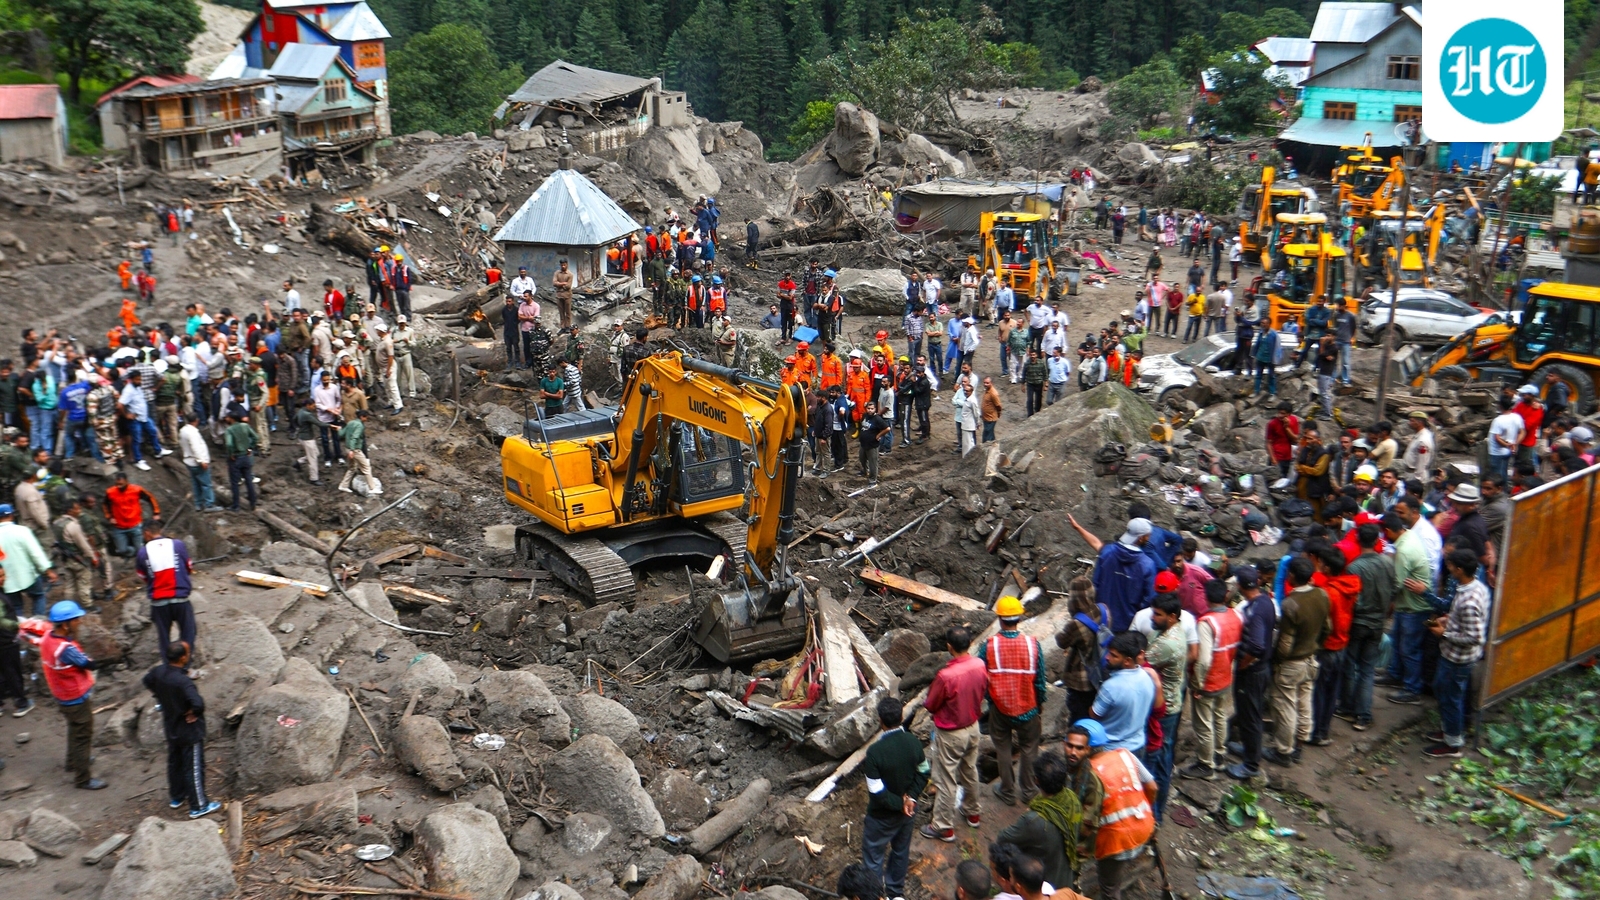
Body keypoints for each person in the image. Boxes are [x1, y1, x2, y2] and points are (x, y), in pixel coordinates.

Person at [1069, 719, 1156, 900]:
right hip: (1144, 825)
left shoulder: (1086, 774)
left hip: (1115, 840)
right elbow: (1153, 787)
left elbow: (1084, 816)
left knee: (1109, 888)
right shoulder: (1125, 754)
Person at [921, 625, 988, 841]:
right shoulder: (979, 664)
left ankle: (943, 826)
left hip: (951, 733)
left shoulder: (945, 675)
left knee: (946, 779)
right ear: (969, 643)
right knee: (970, 770)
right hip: (973, 727)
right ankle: (973, 812)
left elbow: (931, 704)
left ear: (949, 647)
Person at [979, 595, 1046, 806]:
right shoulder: (1032, 645)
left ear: (1000, 619)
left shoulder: (989, 646)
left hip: (1000, 709)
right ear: (1019, 618)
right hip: (1028, 708)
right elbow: (1040, 680)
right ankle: (1028, 790)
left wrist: (990, 698)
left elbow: (982, 677)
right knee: (1029, 748)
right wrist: (1040, 703)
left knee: (1003, 748)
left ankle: (1007, 790)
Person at [860, 696, 927, 900]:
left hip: (881, 816)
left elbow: (877, 791)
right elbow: (924, 771)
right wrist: (911, 798)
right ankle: (896, 894)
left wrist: (899, 804)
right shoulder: (913, 742)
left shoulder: (874, 753)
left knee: (873, 857)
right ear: (901, 717)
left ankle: (875, 896)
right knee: (900, 852)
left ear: (880, 720)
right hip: (908, 813)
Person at [143, 640, 220, 818]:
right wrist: (193, 711)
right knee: (193, 767)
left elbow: (146, 680)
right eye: (188, 652)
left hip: (171, 726)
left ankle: (177, 796)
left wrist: (161, 698)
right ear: (183, 657)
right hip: (189, 730)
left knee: (175, 762)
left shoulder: (159, 672)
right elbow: (198, 704)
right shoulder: (183, 682)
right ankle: (199, 805)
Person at [1426, 549, 1489, 758]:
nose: (1449, 569)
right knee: (1444, 691)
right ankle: (1449, 730)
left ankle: (1453, 743)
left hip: (1458, 658)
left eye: (1451, 566)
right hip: (1453, 655)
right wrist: (1449, 621)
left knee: (1451, 697)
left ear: (1459, 570)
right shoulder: (1474, 587)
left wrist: (1445, 634)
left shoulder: (1469, 601)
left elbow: (1475, 637)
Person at [1267, 556, 1328, 765]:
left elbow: (1284, 643)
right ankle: (1299, 745)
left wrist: (1276, 661)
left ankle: (1283, 751)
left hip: (1292, 663)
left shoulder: (1290, 604)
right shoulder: (1322, 594)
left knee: (1285, 707)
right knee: (1304, 703)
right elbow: (1326, 629)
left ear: (1291, 576)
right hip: (1311, 659)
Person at [995, 752, 1083, 891]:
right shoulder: (1073, 800)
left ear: (1036, 780)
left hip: (1042, 885)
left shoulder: (1034, 820)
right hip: (1066, 878)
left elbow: (1003, 839)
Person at [41, 601, 106, 789]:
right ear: (65, 624)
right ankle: (83, 778)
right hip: (75, 697)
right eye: (76, 620)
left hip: (61, 695)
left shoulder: (47, 638)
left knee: (73, 727)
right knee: (83, 735)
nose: (79, 622)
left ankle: (73, 761)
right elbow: (88, 664)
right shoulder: (66, 650)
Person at [1337, 524, 1395, 731]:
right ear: (1377, 541)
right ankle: (1363, 715)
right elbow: (1395, 590)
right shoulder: (1388, 563)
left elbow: (1352, 600)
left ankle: (1348, 707)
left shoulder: (1354, 568)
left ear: (1358, 541)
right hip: (1378, 623)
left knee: (1351, 666)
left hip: (1359, 622)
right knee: (1367, 669)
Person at [1228, 565, 1274, 780]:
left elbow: (1256, 646)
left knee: (1251, 717)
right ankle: (1248, 750)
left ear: (1239, 586)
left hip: (1253, 671)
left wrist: (1244, 664)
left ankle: (1251, 765)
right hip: (1262, 669)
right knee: (1249, 714)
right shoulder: (1265, 601)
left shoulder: (1255, 611)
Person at [1141, 595, 1186, 819]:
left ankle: (1155, 815)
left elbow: (1139, 660)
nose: (1152, 617)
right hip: (1170, 702)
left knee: (1158, 762)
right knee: (1163, 758)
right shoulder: (1174, 632)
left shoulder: (1167, 644)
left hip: (1164, 708)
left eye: (1157, 614)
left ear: (1172, 617)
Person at [136, 521, 195, 660]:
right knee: (188, 633)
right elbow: (189, 568)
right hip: (180, 597)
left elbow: (142, 576)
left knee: (164, 637)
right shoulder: (178, 544)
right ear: (160, 531)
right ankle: (185, 664)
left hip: (158, 601)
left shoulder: (143, 552)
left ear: (147, 533)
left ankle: (168, 666)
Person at [1092, 631, 1155, 758]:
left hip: (1113, 751)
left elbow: (1095, 714)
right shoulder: (1146, 676)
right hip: (1138, 745)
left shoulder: (1111, 687)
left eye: (1114, 655)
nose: (1107, 657)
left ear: (1127, 661)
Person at [1092, 518, 1159, 632]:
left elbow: (1095, 584)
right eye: (1148, 535)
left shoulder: (1107, 552)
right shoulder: (1147, 565)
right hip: (1128, 625)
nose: (1149, 538)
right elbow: (1149, 599)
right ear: (1141, 537)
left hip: (1101, 619)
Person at [102, 471, 159, 558]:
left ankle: (142, 560)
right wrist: (109, 517)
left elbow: (150, 498)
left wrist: (156, 512)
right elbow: (105, 504)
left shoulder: (136, 489)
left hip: (135, 524)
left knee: (141, 550)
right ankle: (132, 553)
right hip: (119, 526)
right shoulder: (110, 492)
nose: (118, 486)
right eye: (117, 484)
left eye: (121, 484)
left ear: (126, 481)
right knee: (122, 550)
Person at [339, 408, 377, 496]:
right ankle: (372, 488)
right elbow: (355, 438)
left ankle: (343, 485)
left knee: (352, 468)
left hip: (347, 448)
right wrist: (352, 450)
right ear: (362, 417)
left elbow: (341, 434)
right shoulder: (359, 425)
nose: (367, 419)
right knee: (366, 467)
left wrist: (338, 429)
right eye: (366, 417)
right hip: (355, 450)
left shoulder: (350, 423)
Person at [858, 402, 890, 485]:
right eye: (868, 408)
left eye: (872, 409)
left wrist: (879, 435)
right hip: (863, 443)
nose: (870, 410)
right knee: (862, 459)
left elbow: (887, 428)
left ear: (875, 409)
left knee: (873, 463)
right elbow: (862, 426)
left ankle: (873, 480)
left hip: (872, 445)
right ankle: (865, 471)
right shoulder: (865, 416)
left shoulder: (877, 419)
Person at [980, 377, 1003, 443]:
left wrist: (998, 413)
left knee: (987, 437)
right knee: (990, 434)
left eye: (987, 383)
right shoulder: (987, 391)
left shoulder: (993, 393)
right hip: (986, 417)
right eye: (984, 383)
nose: (985, 384)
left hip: (991, 418)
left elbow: (998, 405)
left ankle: (986, 450)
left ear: (991, 383)